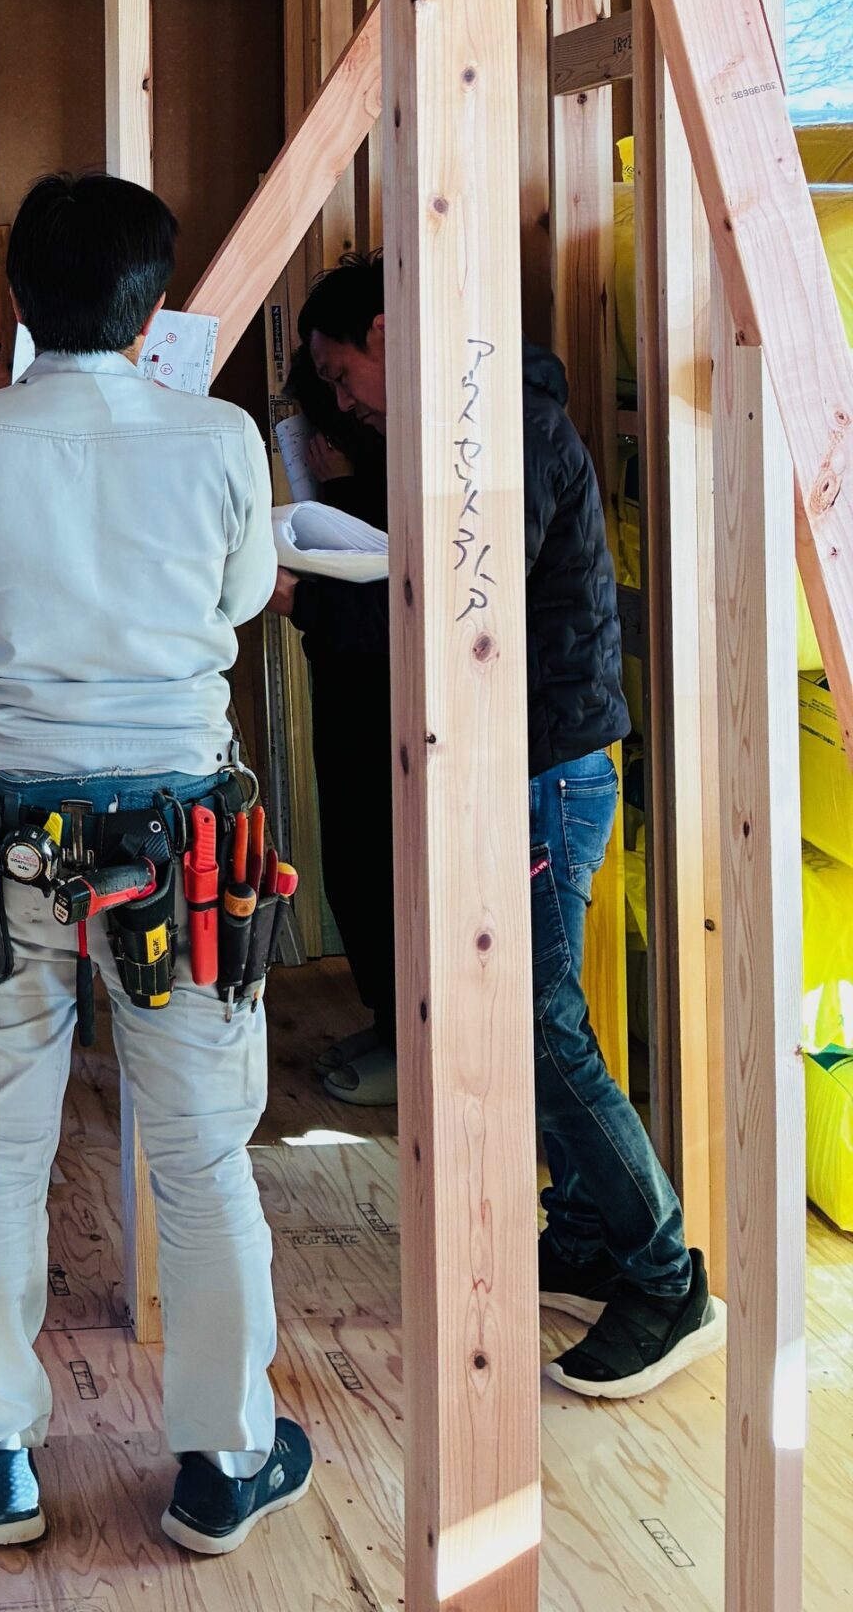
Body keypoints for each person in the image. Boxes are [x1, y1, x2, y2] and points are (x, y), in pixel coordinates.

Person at [0, 173, 310, 1558]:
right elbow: (242, 601)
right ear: (151, 308)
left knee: (0, 1145)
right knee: (202, 1154)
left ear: (14, 300)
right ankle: (224, 1462)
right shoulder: (222, 436)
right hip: (183, 850)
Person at [294, 254, 725, 1399]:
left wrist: (315, 591)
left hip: (547, 770)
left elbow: (463, 612)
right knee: (533, 1011)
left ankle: (666, 1276)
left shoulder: (500, 427)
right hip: (522, 762)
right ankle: (582, 1232)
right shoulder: (470, 421)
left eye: (340, 371)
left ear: (385, 331)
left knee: (542, 1024)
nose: (342, 399)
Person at [271, 344, 396, 1106]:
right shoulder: (357, 447)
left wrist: (343, 491)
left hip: (387, 702)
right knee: (350, 862)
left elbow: (390, 601)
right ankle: (385, 1019)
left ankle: (406, 1036)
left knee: (383, 867)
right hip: (344, 686)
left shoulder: (403, 455)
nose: (344, 405)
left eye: (339, 381)